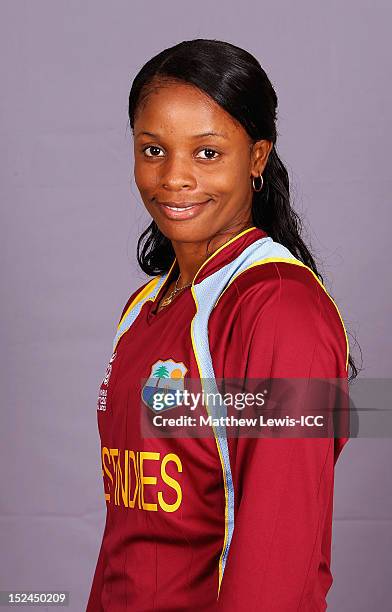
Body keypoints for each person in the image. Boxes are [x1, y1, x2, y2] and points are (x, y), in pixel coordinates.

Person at [86, 38, 359, 611]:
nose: (174, 178)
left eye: (207, 153)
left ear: (257, 156)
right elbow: (130, 547)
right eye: (152, 149)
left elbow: (277, 560)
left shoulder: (280, 309)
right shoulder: (143, 309)